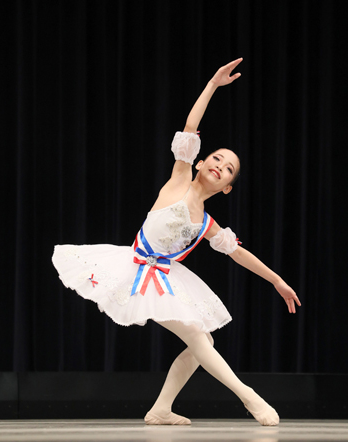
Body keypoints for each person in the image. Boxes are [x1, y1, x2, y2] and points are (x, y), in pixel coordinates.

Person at [52, 58, 301, 426]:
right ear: (199, 162)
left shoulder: (208, 225)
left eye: (228, 169)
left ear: (227, 187)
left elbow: (239, 254)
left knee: (204, 342)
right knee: (198, 338)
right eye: (216, 158)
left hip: (164, 277)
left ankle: (161, 409)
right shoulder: (181, 178)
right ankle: (250, 398)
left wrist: (277, 280)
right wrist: (212, 85)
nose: (219, 165)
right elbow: (190, 125)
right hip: (136, 268)